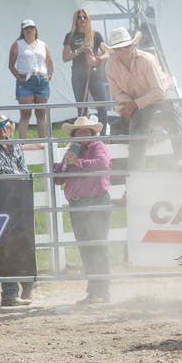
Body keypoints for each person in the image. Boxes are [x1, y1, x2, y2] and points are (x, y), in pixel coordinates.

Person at [103, 27, 182, 170]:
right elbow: (117, 92)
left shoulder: (147, 60)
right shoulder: (110, 66)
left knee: (170, 106)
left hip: (163, 90)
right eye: (119, 48)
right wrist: (127, 103)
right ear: (115, 50)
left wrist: (134, 104)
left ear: (132, 45)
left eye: (126, 46)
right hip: (140, 99)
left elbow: (158, 91)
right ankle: (136, 172)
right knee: (136, 128)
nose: (124, 50)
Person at [53, 115, 112, 304]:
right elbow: (57, 179)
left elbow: (103, 164)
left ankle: (101, 290)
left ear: (92, 133)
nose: (83, 134)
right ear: (74, 135)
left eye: (87, 131)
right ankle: (94, 290)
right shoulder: (72, 150)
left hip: (95, 201)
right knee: (86, 247)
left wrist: (78, 163)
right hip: (78, 204)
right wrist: (63, 165)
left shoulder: (97, 146)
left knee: (97, 245)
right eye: (79, 132)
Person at [0, 111, 34, 306]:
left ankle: (27, 286)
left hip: (18, 199)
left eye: (4, 124)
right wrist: (14, 173)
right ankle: (9, 293)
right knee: (6, 244)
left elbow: (23, 170)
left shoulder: (15, 145)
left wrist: (18, 175)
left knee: (23, 240)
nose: (2, 128)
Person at [62, 9, 111, 135]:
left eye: (85, 17)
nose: (82, 19)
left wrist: (97, 58)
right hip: (78, 74)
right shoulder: (70, 36)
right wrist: (78, 50)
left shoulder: (95, 35)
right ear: (76, 20)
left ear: (88, 19)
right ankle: (84, 137)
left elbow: (107, 53)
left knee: (102, 106)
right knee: (82, 108)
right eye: (79, 17)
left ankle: (103, 138)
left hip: (94, 73)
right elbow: (65, 57)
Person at [8, 19, 54, 145]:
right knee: (25, 114)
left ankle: (43, 143)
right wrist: (18, 77)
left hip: (41, 80)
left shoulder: (43, 44)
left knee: (41, 114)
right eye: (26, 28)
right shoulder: (18, 44)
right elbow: (11, 65)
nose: (29, 30)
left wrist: (49, 74)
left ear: (35, 30)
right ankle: (22, 144)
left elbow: (49, 62)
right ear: (22, 31)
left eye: (32, 28)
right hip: (26, 80)